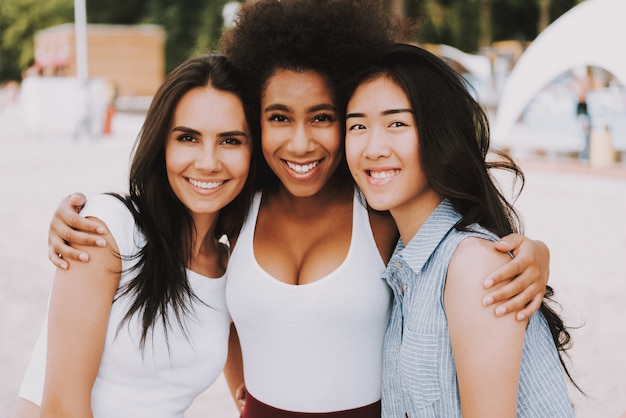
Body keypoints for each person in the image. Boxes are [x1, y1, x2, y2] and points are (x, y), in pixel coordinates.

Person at [46, 1, 552, 416]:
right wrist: (74, 222)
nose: (301, 142)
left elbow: (456, 237)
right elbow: (189, 253)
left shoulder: (377, 207)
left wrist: (534, 252)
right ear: (257, 122)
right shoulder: (239, 207)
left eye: (324, 117)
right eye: (280, 117)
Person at [13, 53, 255, 418]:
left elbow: (249, 397)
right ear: (162, 145)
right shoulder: (108, 230)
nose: (208, 161)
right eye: (188, 138)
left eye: (230, 141)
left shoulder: (232, 267)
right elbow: (62, 408)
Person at [344, 43, 577, 417]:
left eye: (397, 123)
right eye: (357, 125)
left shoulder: (473, 267)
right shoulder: (403, 259)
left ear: (441, 135)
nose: (373, 147)